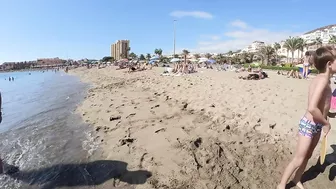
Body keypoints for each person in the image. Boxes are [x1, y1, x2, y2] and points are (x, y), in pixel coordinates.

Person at [277, 46, 336, 189]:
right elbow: (311, 107)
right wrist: (325, 124)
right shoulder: (321, 80)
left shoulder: (326, 81)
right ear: (329, 64)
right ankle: (281, 185)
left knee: (308, 156)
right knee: (299, 158)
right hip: (309, 124)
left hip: (317, 124)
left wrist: (329, 114)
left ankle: (297, 179)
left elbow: (322, 106)